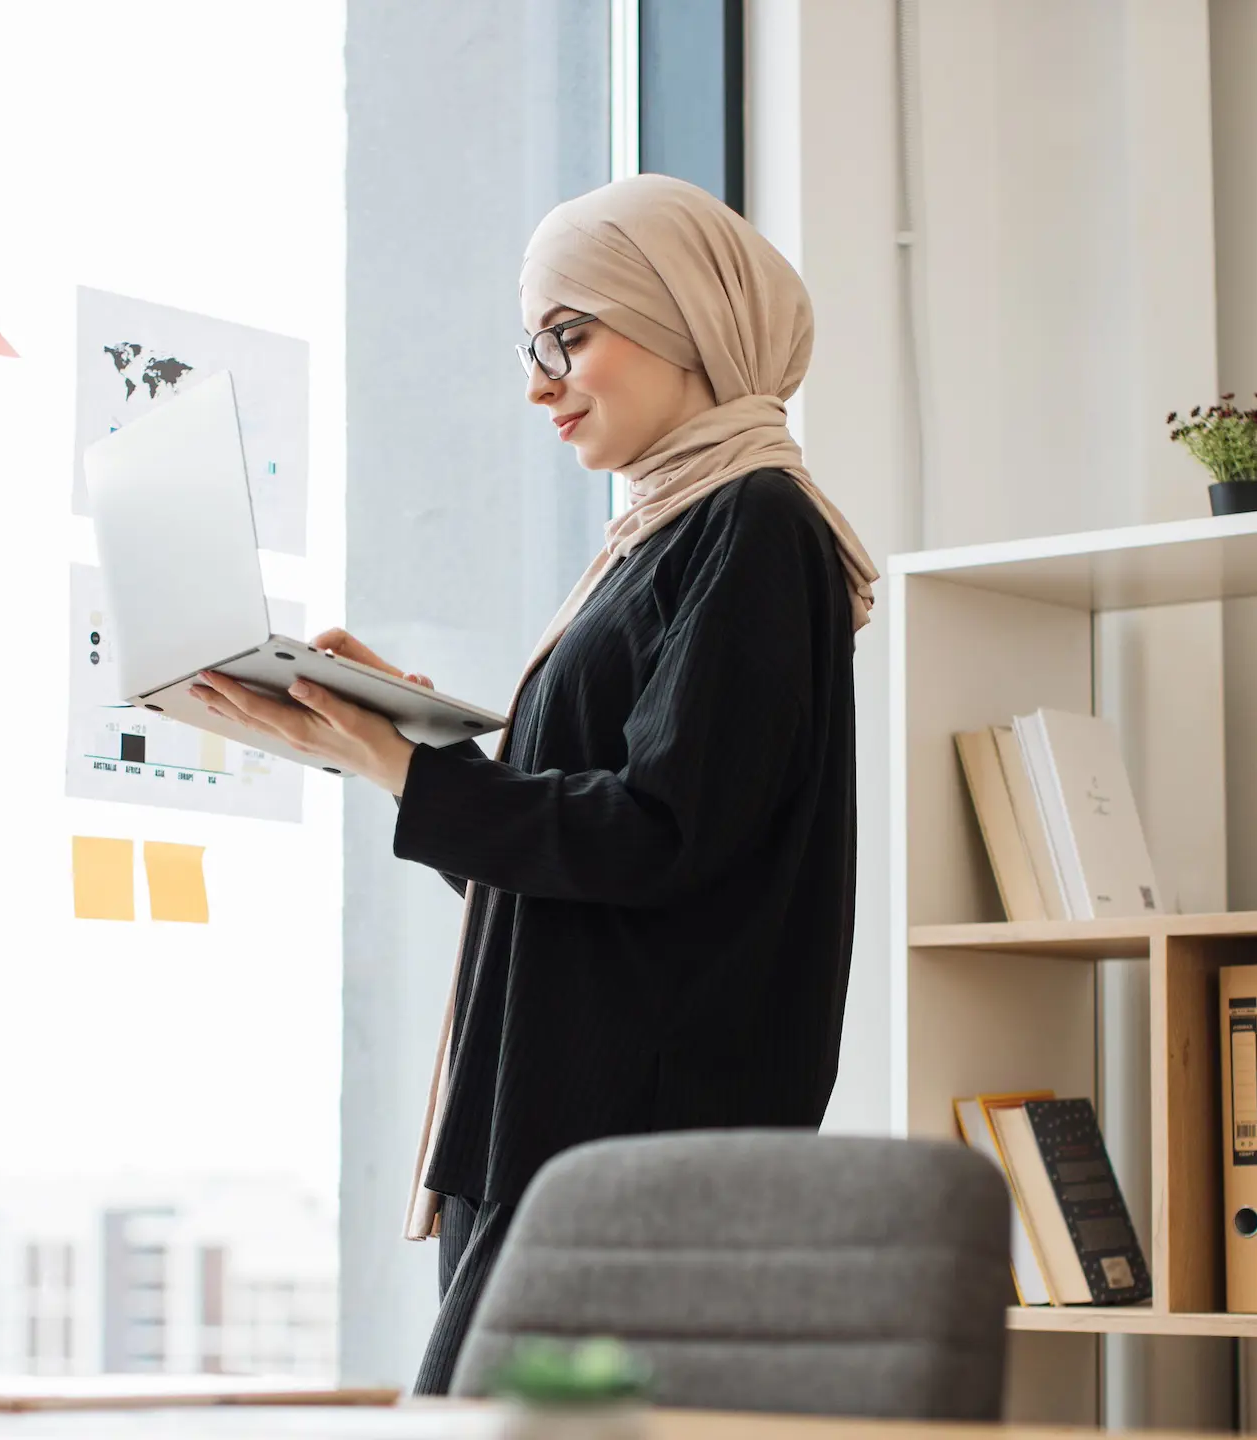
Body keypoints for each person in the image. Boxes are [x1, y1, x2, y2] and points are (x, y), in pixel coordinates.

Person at [188, 173, 877, 1394]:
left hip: (625, 1143)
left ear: (687, 324)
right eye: (532, 344)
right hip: (556, 1117)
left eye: (568, 337)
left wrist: (410, 765)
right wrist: (379, 748)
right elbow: (579, 868)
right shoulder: (663, 533)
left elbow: (659, 837)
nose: (538, 383)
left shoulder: (755, 525)